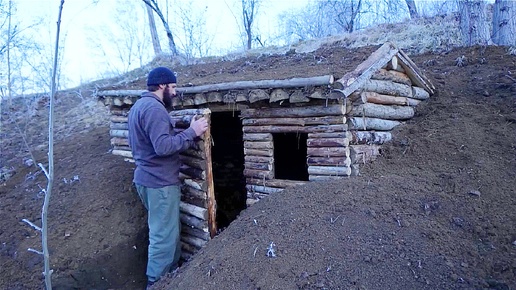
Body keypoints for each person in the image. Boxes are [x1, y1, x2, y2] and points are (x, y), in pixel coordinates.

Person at [127, 67, 208, 287]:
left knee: (168, 234)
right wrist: (192, 132)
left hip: (149, 180)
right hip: (159, 184)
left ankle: (170, 280)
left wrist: (186, 136)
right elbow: (162, 146)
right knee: (163, 238)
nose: (175, 92)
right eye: (172, 87)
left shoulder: (139, 107)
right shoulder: (154, 109)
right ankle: (156, 284)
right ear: (162, 85)